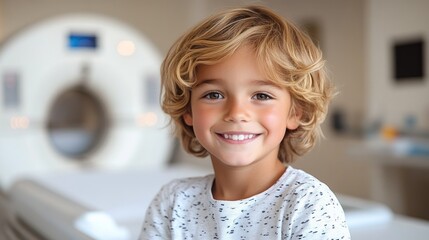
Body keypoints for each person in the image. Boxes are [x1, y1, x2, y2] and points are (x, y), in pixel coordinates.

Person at [140, 5, 350, 239]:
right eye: (213, 95)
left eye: (261, 96)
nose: (237, 113)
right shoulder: (173, 202)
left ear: (295, 112)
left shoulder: (308, 204)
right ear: (187, 109)